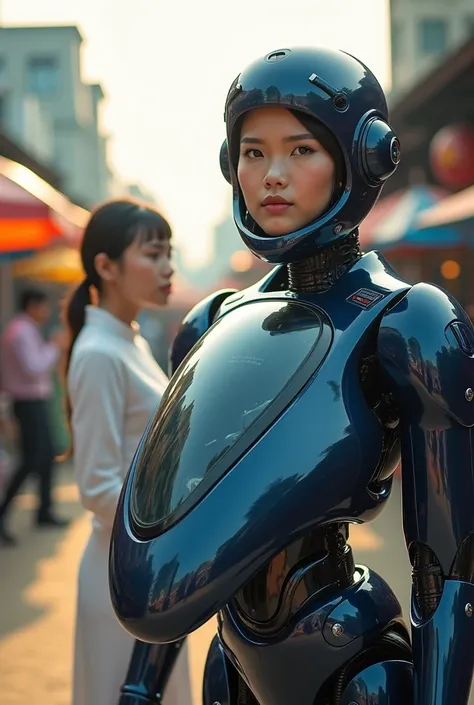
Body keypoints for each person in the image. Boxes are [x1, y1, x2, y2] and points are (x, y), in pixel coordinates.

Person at [109, 47, 474, 704]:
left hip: (352, 662)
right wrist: (139, 687)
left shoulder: (409, 322)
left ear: (361, 158)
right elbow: (180, 531)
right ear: (231, 164)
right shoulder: (213, 323)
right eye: (253, 152)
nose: (272, 174)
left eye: (301, 150)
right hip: (231, 663)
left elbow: (448, 570)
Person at [65, 199, 192, 705]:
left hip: (147, 568)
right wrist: (166, 530)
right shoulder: (98, 353)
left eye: (169, 253)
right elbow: (97, 487)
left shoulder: (128, 341)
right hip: (124, 574)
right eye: (153, 254)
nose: (168, 267)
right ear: (106, 266)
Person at [0, 288, 68, 545]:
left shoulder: (23, 329)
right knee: (30, 460)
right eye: (43, 306)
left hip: (33, 401)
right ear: (32, 305)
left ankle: (44, 510)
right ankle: (5, 512)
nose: (46, 312)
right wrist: (54, 346)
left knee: (46, 456)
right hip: (27, 402)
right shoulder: (20, 332)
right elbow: (34, 368)